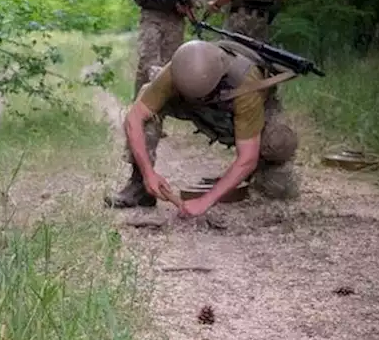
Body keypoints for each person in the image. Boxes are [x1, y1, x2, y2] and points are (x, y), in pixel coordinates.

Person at [113, 39, 301, 214]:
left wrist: (205, 201)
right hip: (198, 108)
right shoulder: (179, 68)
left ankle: (261, 176)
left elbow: (247, 157)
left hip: (236, 114)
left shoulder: (247, 84)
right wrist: (148, 173)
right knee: (147, 103)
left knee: (279, 148)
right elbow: (135, 118)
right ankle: (138, 186)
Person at [109, 0, 212, 206]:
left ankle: (144, 179)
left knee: (166, 91)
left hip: (176, 25)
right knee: (146, 91)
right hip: (152, 21)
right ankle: (138, 180)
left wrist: (191, 4)